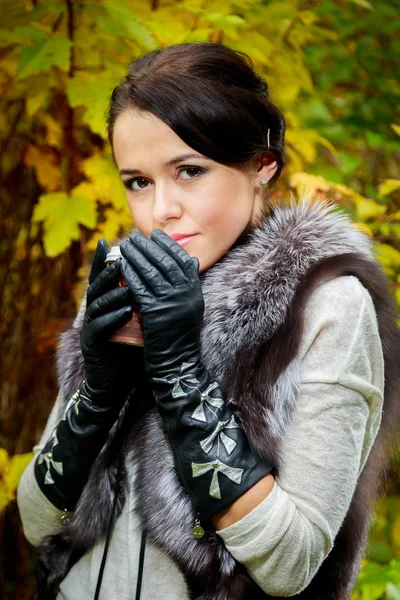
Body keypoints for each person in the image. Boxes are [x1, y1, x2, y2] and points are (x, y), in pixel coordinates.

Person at [17, 42, 400, 600]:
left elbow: (291, 565)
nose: (161, 209)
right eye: (138, 182)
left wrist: (180, 376)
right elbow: (36, 523)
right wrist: (98, 394)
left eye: (189, 171)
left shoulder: (327, 307)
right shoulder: (123, 292)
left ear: (261, 164)